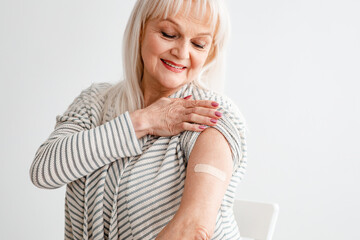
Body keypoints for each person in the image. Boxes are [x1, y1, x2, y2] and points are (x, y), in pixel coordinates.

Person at [29, 0, 247, 239]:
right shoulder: (95, 102)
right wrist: (144, 120)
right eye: (169, 34)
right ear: (141, 29)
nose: (182, 53)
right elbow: (44, 172)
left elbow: (194, 229)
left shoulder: (207, 114)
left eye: (198, 44)